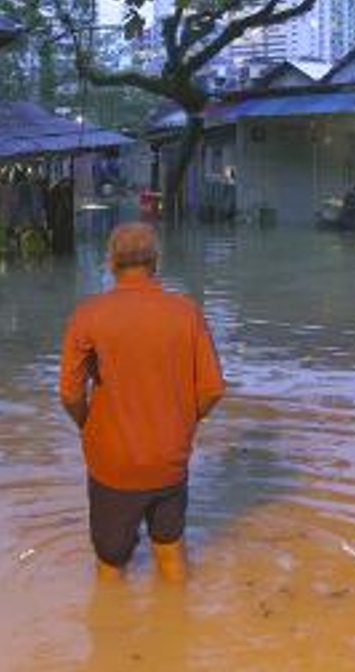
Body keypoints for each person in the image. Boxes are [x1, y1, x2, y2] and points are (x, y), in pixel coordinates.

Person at [59, 222, 225, 583]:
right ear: (156, 262)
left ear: (110, 263)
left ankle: (114, 634)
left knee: (110, 566)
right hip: (169, 458)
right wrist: (183, 423)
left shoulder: (88, 315)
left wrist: (88, 426)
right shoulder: (186, 313)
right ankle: (178, 632)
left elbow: (70, 393)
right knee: (170, 552)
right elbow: (212, 389)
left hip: (113, 463)